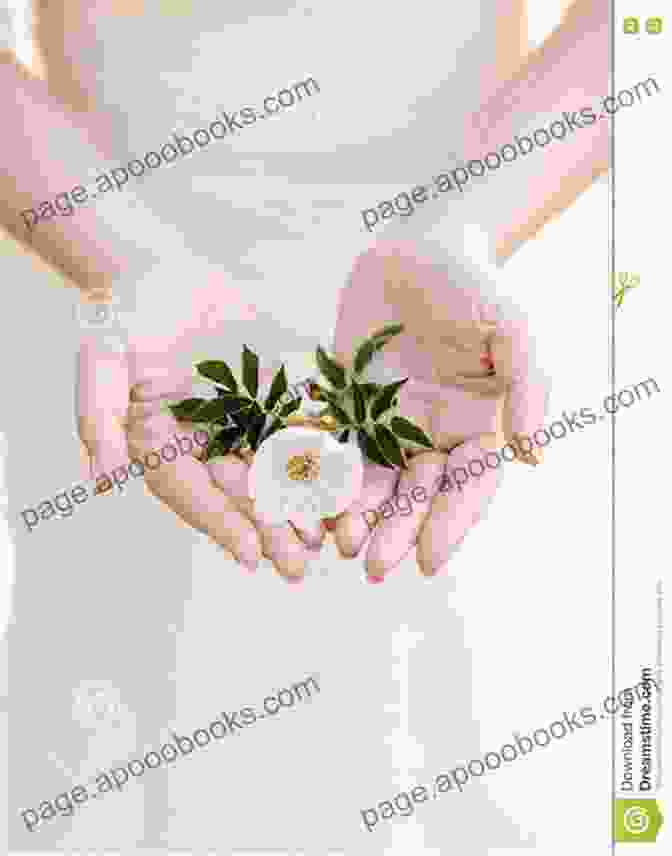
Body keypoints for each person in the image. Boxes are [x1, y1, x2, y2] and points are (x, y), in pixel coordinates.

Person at [1, 1, 608, 851]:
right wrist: (122, 252)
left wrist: (469, 217)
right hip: (106, 273)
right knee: (106, 762)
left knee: (447, 762)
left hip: (446, 326)